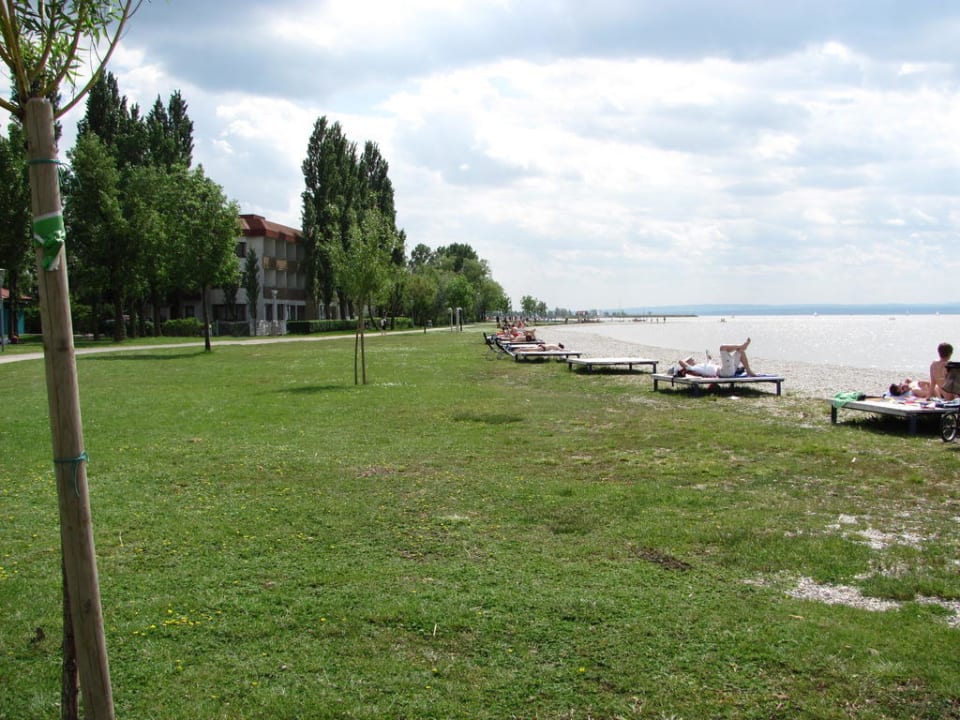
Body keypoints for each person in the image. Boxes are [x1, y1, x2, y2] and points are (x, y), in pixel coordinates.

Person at [678, 338, 757, 378]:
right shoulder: (693, 368)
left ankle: (749, 371)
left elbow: (710, 364)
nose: (693, 360)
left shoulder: (701, 366)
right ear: (689, 363)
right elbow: (680, 361)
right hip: (725, 373)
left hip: (729, 369)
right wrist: (688, 359)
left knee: (741, 352)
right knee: (722, 347)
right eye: (691, 360)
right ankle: (741, 346)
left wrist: (709, 358)